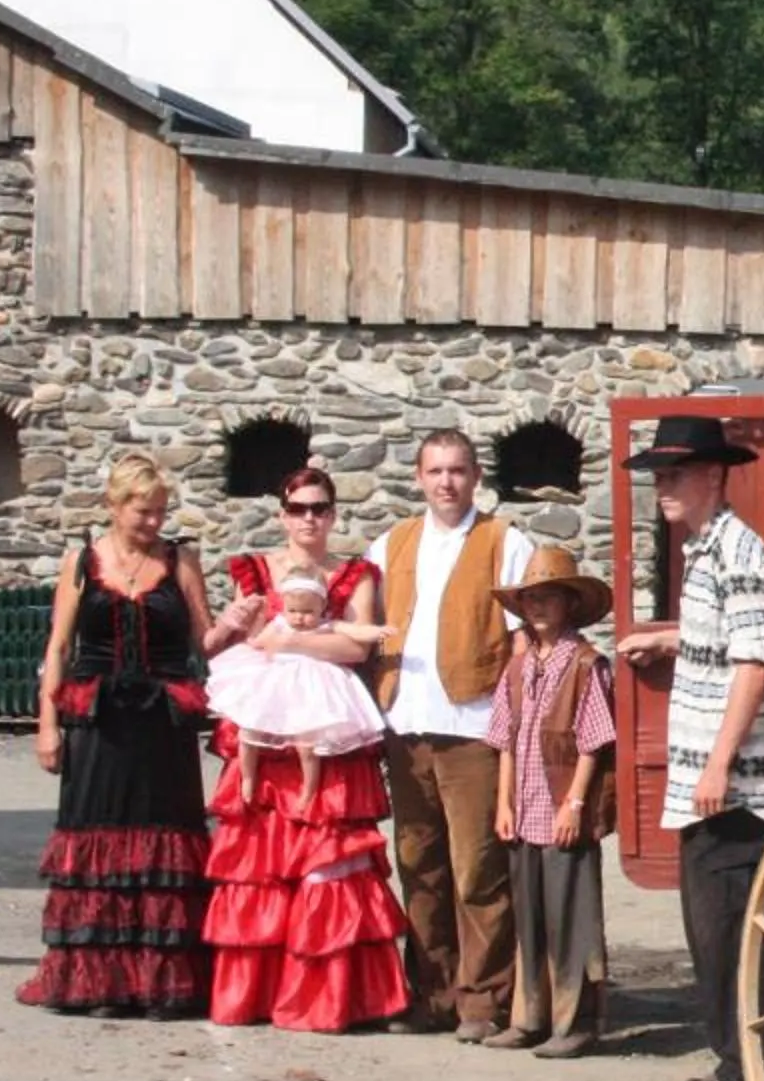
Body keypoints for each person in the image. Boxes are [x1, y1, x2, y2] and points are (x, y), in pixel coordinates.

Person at [617, 417, 764, 1081]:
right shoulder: (707, 550)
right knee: (715, 937)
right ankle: (737, 1067)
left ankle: (752, 1078)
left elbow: (756, 661)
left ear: (715, 477)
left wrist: (720, 766)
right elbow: (728, 639)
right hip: (709, 784)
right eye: (658, 475)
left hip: (737, 789)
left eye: (676, 474)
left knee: (734, 938)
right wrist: (672, 641)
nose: (663, 487)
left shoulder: (739, 551)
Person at [203, 466, 413, 1034]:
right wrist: (278, 638)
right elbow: (243, 638)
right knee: (261, 864)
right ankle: (259, 994)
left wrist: (291, 639)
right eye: (298, 508)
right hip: (269, 734)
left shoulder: (355, 574)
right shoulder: (255, 570)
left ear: (334, 514)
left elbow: (356, 649)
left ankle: (331, 997)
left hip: (327, 730)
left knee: (328, 860)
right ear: (282, 515)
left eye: (319, 508)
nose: (309, 519)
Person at [19, 452, 223, 1018]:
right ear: (114, 505)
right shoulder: (82, 562)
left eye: (160, 511)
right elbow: (60, 647)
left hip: (162, 723)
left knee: (166, 842)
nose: (154, 522)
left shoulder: (181, 560)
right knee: (98, 840)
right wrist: (47, 725)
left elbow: (205, 639)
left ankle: (161, 983)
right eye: (143, 511)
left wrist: (242, 630)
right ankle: (99, 983)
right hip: (99, 721)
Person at [368, 431, 536, 1041]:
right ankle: (431, 995)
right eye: (436, 471)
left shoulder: (504, 542)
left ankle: (483, 999)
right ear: (419, 477)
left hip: (472, 727)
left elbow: (521, 641)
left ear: (476, 476)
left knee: (477, 870)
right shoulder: (391, 544)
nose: (446, 482)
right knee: (419, 866)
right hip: (406, 725)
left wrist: (514, 724)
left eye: (458, 471)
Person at [480, 548, 619, 1059]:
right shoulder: (518, 668)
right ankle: (529, 1017)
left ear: (569, 604)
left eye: (549, 597)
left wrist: (574, 804)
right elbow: (505, 742)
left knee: (571, 919)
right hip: (524, 810)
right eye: (531, 598)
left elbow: (593, 743)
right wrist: (504, 804)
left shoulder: (586, 665)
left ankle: (575, 1021)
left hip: (561, 809)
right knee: (529, 918)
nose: (538, 606)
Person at [205, 574, 387, 810]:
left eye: (308, 612)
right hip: (277, 684)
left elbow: (357, 631)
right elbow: (257, 642)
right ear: (284, 606)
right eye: (293, 611)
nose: (299, 618)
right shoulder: (279, 624)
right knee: (249, 731)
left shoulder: (327, 625)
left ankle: (308, 790)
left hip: (308, 689)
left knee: (306, 745)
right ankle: (248, 778)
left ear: (322, 606)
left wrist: (378, 631)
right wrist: (258, 619)